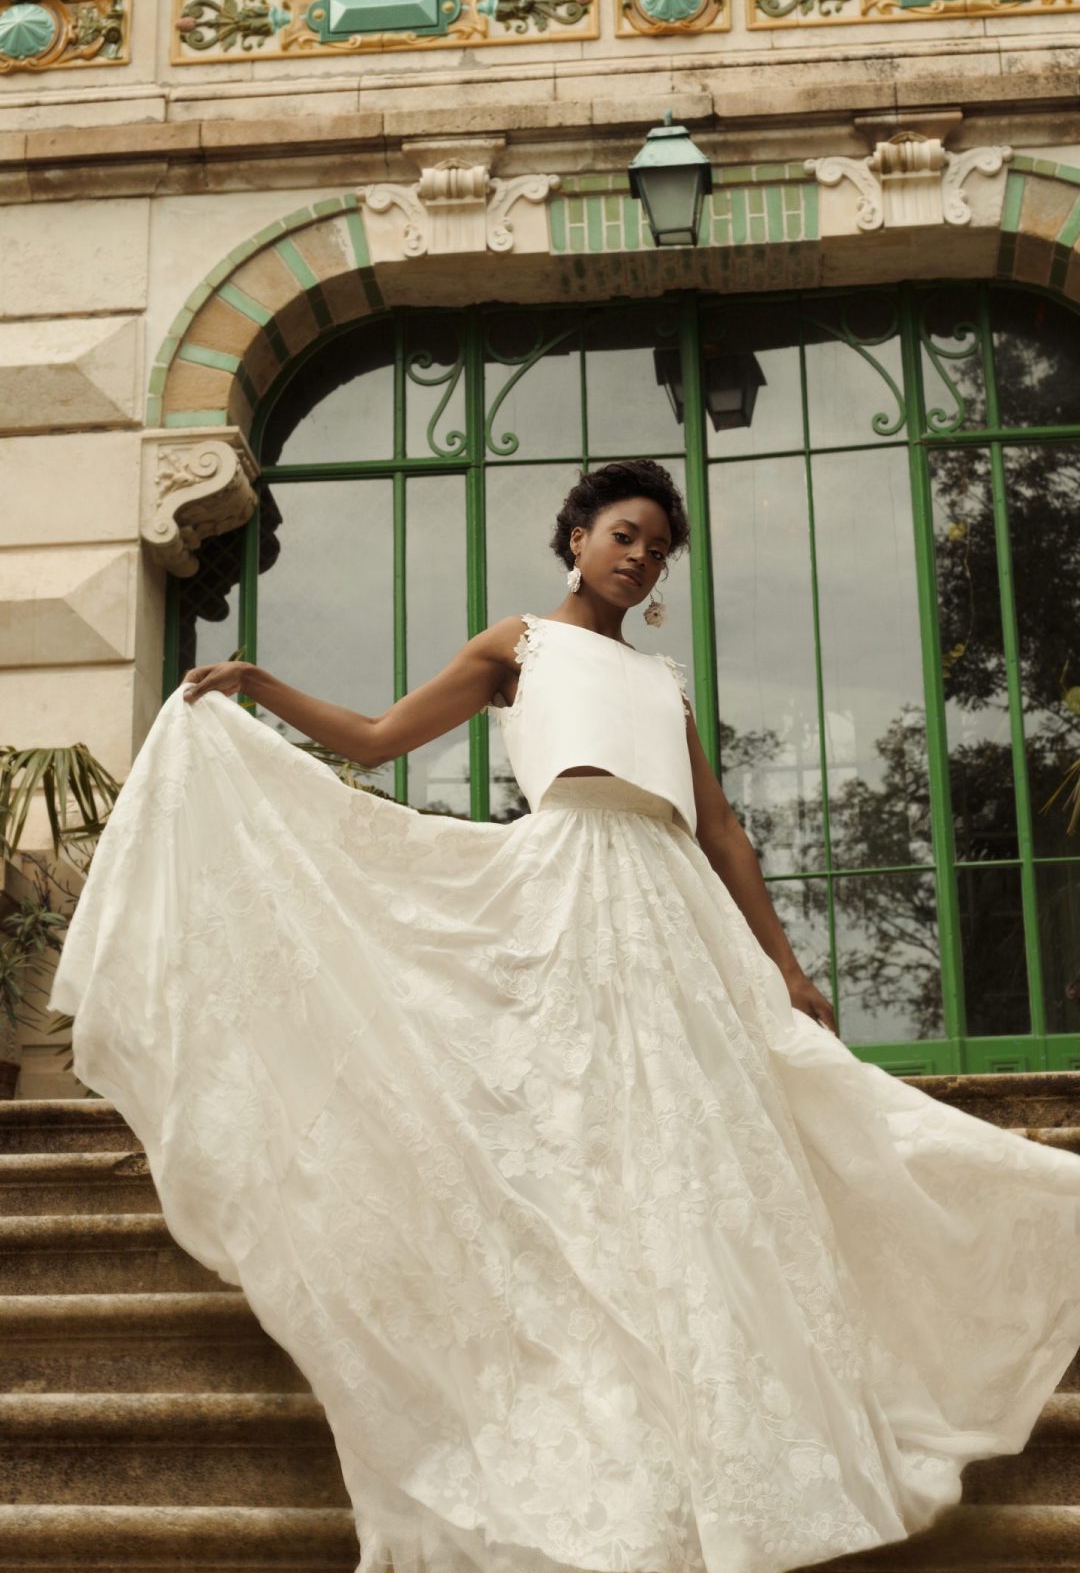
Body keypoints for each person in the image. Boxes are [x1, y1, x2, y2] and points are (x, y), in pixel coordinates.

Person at [50, 457, 1080, 1573]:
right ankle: (598, 1420)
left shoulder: (664, 683)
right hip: (565, 899)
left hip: (673, 913)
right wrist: (259, 686)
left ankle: (736, 1431)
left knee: (717, 1151)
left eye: (656, 549)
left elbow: (724, 832)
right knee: (584, 1154)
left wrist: (785, 966)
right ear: (577, 538)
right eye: (623, 535)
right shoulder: (519, 648)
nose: (640, 559)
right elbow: (379, 739)